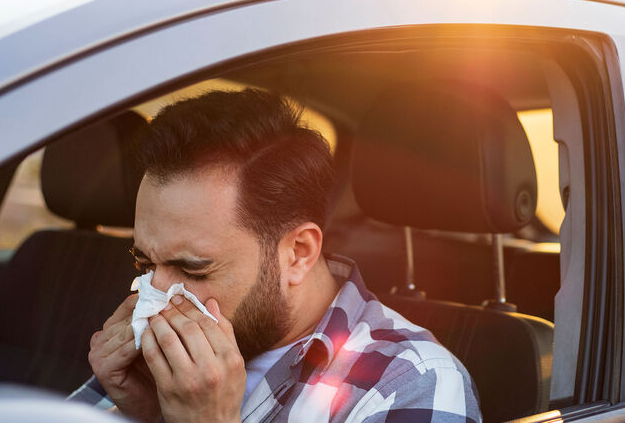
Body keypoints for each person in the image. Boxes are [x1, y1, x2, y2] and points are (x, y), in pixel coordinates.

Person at [69, 89, 481, 423]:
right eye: (145, 264)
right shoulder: (145, 364)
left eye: (192, 268)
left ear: (298, 253)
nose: (155, 293)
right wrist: (145, 417)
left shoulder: (409, 384)